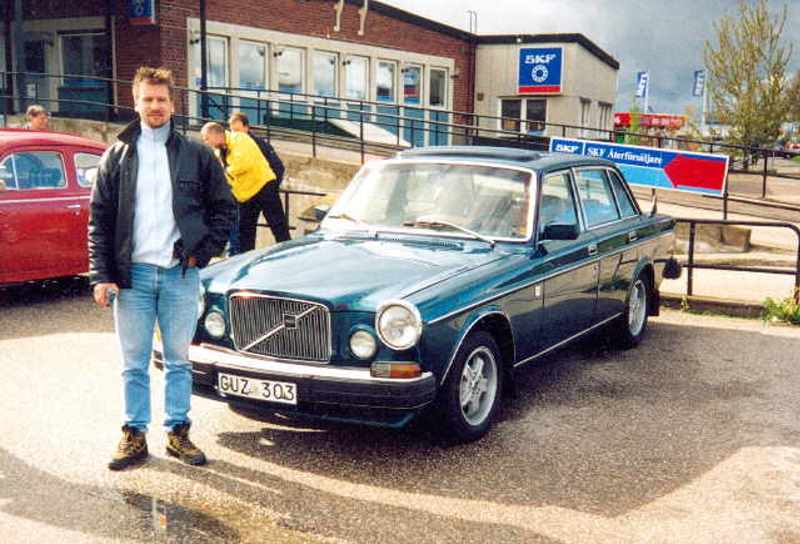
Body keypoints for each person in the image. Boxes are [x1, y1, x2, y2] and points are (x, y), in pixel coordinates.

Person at [88, 66, 236, 471]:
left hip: (179, 274)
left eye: (162, 99)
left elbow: (225, 207)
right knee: (134, 364)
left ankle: (178, 432)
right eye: (147, 99)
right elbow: (99, 219)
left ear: (173, 104)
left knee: (179, 361)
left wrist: (203, 251)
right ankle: (134, 434)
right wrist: (101, 275)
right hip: (132, 277)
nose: (155, 106)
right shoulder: (116, 155)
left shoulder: (197, 154)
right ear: (135, 102)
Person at [201, 121, 290, 253]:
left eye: (207, 139)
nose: (206, 142)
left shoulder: (239, 139)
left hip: (263, 186)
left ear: (216, 134)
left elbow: (243, 164)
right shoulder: (219, 151)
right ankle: (247, 257)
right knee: (245, 232)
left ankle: (287, 252)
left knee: (277, 224)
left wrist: (225, 172)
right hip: (245, 195)